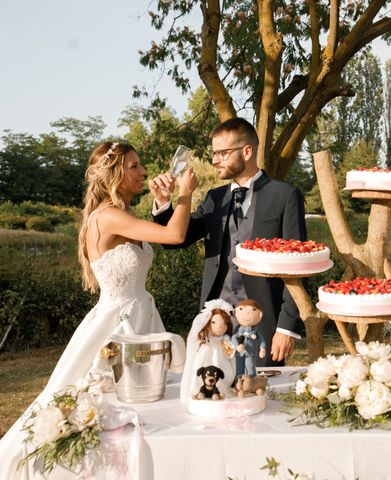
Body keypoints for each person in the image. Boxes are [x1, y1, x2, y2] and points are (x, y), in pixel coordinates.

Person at [0, 141, 198, 479]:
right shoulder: (108, 216)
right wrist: (185, 192)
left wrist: (163, 201)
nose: (143, 172)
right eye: (134, 167)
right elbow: (175, 234)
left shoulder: (119, 214)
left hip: (140, 316)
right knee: (108, 402)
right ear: (114, 173)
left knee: (143, 403)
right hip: (118, 324)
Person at [151, 117, 306, 366]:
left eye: (222, 153)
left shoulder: (284, 195)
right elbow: (176, 239)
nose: (214, 160)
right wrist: (164, 204)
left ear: (247, 151)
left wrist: (286, 328)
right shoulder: (215, 198)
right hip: (215, 323)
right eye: (214, 153)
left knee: (258, 398)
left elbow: (298, 266)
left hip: (263, 323)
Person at [181, 299, 236, 403]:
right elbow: (196, 344)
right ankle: (200, 390)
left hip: (221, 360)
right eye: (214, 322)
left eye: (224, 323)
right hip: (205, 358)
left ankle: (220, 390)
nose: (219, 326)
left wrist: (226, 346)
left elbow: (230, 352)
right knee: (200, 370)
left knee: (223, 373)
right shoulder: (206, 337)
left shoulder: (225, 338)